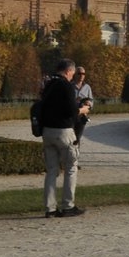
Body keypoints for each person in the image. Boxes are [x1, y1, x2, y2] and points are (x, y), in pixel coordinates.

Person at [39, 58, 90, 218]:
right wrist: (83, 109)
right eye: (73, 73)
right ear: (68, 71)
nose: (72, 76)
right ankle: (68, 205)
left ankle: (50, 208)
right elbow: (71, 110)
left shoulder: (48, 84)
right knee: (71, 168)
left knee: (51, 171)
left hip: (47, 131)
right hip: (63, 132)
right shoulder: (65, 86)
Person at [71, 66, 93, 146]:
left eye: (83, 73)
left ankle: (76, 156)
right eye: (79, 73)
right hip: (72, 116)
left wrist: (89, 103)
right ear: (75, 74)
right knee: (71, 138)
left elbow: (91, 101)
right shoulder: (69, 86)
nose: (81, 75)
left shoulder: (87, 87)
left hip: (82, 117)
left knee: (78, 138)